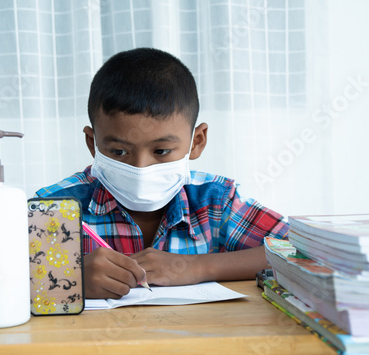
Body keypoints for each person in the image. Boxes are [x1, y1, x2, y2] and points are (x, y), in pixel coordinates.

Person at [36, 47, 289, 300]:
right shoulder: (52, 208)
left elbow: (296, 252)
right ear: (93, 144)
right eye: (120, 152)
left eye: (162, 150)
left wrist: (196, 267)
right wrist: (70, 276)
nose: (141, 168)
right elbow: (2, 279)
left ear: (197, 141)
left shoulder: (216, 200)